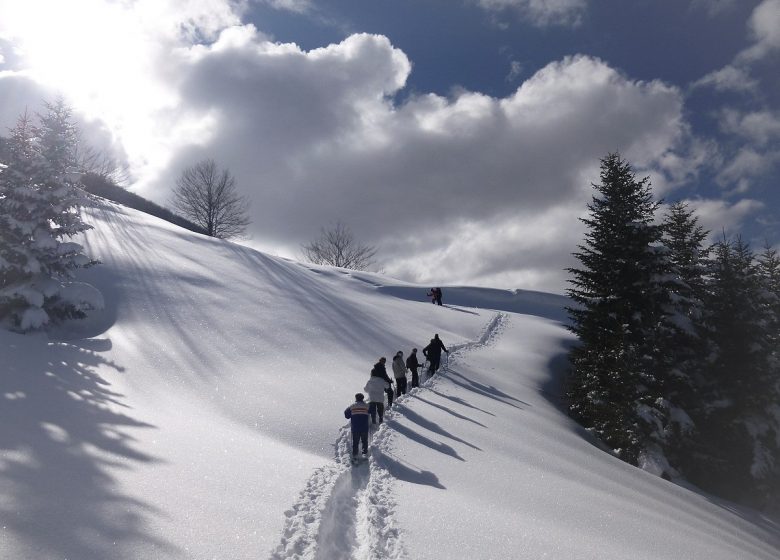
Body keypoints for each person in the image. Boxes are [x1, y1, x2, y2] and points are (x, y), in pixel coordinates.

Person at [344, 393, 370, 460]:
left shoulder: (352, 406)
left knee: (355, 442)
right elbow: (371, 411)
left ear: (356, 398)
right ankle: (364, 454)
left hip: (355, 427)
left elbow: (346, 414)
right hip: (364, 427)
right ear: (362, 398)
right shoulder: (367, 406)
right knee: (364, 441)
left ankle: (355, 455)